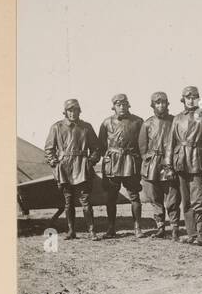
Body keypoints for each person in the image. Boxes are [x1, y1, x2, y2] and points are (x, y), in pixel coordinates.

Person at [43, 98, 101, 240]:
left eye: (75, 110)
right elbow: (49, 149)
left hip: (82, 166)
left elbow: (96, 148)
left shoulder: (86, 127)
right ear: (65, 112)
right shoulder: (56, 127)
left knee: (85, 200)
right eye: (70, 110)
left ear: (79, 111)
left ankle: (91, 231)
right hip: (65, 168)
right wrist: (55, 164)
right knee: (68, 201)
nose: (73, 113)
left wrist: (90, 161)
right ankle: (71, 230)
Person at [166, 85, 202, 246]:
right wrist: (168, 165)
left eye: (194, 97)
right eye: (188, 97)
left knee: (198, 200)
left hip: (198, 161)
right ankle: (191, 233)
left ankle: (201, 233)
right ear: (183, 99)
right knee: (185, 200)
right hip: (180, 162)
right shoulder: (177, 118)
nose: (191, 100)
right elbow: (170, 143)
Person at [96, 94, 145, 238]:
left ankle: (137, 227)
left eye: (124, 104)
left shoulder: (137, 121)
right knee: (111, 197)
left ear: (128, 105)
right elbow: (101, 145)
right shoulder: (106, 123)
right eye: (118, 105)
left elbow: (141, 144)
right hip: (112, 163)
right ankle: (111, 228)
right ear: (114, 107)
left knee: (134, 196)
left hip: (131, 162)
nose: (122, 107)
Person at [139, 91, 181, 240]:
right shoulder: (147, 123)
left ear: (167, 104)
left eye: (163, 102)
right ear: (153, 105)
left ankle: (175, 227)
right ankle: (160, 227)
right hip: (152, 165)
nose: (161, 105)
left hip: (169, 163)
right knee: (155, 197)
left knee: (172, 197)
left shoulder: (175, 120)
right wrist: (148, 161)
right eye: (158, 103)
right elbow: (143, 148)